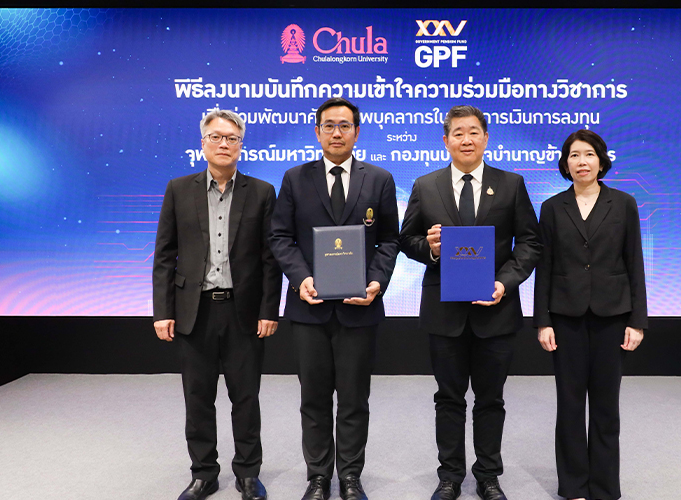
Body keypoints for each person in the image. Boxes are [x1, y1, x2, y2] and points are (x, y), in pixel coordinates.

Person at [399, 105, 541, 500]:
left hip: (496, 310)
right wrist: (429, 248)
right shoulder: (426, 185)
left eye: (474, 132)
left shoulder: (511, 184)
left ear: (486, 138)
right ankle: (449, 477)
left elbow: (530, 242)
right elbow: (406, 239)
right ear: (446, 141)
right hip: (444, 313)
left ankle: (488, 476)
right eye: (458, 133)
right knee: (448, 398)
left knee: (491, 399)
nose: (466, 139)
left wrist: (504, 283)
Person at [269, 97, 399, 500]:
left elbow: (389, 240)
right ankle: (318, 477)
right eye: (329, 125)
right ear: (317, 132)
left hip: (360, 309)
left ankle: (351, 476)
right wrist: (302, 278)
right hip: (309, 308)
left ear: (357, 132)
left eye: (344, 125)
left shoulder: (379, 179)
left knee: (355, 399)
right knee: (314, 398)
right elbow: (280, 237)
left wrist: (376, 282)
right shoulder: (295, 178)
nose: (336, 133)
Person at [152, 109, 282, 500]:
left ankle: (248, 473)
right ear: (203, 143)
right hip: (194, 311)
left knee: (246, 397)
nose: (224, 144)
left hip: (243, 312)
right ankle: (204, 473)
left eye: (232, 138)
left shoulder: (262, 192)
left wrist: (268, 310)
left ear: (241, 145)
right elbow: (165, 255)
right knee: (198, 397)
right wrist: (163, 311)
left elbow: (270, 259)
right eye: (216, 137)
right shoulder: (179, 189)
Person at [534, 129, 647, 500]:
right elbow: (545, 267)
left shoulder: (624, 203)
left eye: (588, 154)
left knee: (605, 406)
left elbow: (634, 263)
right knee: (569, 405)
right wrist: (542, 321)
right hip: (565, 317)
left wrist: (637, 321)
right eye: (574, 155)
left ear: (601, 161)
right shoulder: (552, 207)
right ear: (565, 164)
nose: (581, 162)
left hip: (612, 316)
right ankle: (573, 485)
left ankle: (604, 486)